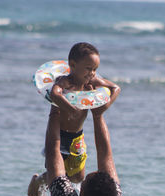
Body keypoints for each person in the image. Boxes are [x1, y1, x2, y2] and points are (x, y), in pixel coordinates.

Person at [44, 42, 120, 183]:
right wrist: (71, 109)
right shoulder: (66, 82)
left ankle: (47, 178)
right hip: (59, 135)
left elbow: (115, 88)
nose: (92, 73)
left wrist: (104, 107)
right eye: (88, 68)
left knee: (78, 177)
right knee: (55, 176)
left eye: (95, 69)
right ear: (72, 65)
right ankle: (40, 180)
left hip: (77, 136)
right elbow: (55, 94)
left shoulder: (91, 81)